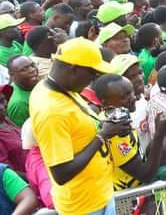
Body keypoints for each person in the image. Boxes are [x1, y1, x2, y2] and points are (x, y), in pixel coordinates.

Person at [29, 37, 129, 214]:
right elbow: (61, 173)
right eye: (92, 73)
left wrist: (105, 125)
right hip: (85, 207)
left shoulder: (61, 88)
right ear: (73, 69)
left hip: (99, 195)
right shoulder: (51, 110)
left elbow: (77, 130)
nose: (93, 79)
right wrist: (102, 136)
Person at [93, 74, 166, 191]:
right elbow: (146, 175)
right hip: (127, 198)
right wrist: (159, 134)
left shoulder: (115, 118)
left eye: (131, 92)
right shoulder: (116, 131)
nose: (132, 98)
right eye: (125, 96)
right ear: (105, 103)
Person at [0, 84, 27, 174]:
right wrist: (34, 179)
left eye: (2, 101)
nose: (1, 107)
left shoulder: (5, 120)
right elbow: (6, 172)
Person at [7, 55, 38, 127]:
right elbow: (23, 133)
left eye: (32, 65)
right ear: (12, 75)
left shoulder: (28, 85)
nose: (32, 70)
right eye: (24, 69)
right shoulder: (19, 103)